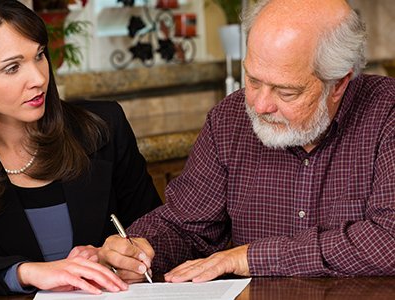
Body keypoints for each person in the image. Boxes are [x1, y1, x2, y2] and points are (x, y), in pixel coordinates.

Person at [99, 0, 395, 283]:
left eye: (286, 92)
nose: (259, 105)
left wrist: (251, 258)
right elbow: (186, 227)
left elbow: (389, 241)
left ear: (339, 84)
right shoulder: (229, 120)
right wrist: (140, 251)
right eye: (252, 80)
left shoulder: (388, 114)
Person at [0, 0, 162, 295]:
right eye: (12, 68)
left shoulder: (103, 127)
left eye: (39, 55)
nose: (39, 78)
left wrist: (132, 258)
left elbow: (155, 228)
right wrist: (27, 272)